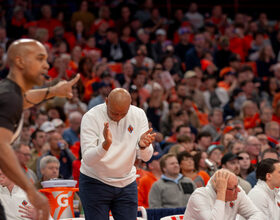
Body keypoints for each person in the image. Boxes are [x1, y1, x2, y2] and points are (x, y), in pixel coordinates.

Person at [0, 38, 80, 219]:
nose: (46, 65)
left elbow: (26, 99)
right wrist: (32, 192)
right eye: (40, 58)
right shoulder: (8, 97)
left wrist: (53, 91)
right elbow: (2, 149)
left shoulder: (10, 92)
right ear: (20, 61)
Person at [79, 88, 156, 220]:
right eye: (114, 113)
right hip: (95, 181)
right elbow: (87, 159)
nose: (119, 117)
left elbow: (147, 157)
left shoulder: (138, 114)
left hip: (126, 182)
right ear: (107, 101)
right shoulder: (91, 117)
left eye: (123, 113)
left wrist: (143, 146)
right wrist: (104, 146)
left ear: (130, 105)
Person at [183, 169, 263, 220]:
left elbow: (256, 213)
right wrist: (221, 193)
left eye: (237, 185)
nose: (238, 190)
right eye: (233, 188)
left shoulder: (237, 190)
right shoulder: (199, 196)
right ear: (219, 189)